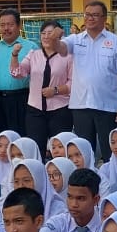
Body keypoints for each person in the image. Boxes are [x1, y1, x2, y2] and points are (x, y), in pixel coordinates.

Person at [55, 0, 117, 161]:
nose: (90, 18)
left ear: (104, 18)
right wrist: (55, 39)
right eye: (87, 15)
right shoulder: (75, 39)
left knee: (110, 152)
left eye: (95, 15)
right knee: (83, 153)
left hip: (107, 106)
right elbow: (61, 49)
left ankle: (111, 184)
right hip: (81, 105)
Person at [11, 19, 73, 160]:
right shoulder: (33, 54)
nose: (46, 36)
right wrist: (14, 56)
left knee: (60, 150)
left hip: (60, 110)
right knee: (35, 150)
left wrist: (55, 90)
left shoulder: (68, 57)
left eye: (50, 33)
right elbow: (18, 73)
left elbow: (73, 84)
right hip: (35, 110)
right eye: (43, 33)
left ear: (58, 36)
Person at [0, 8, 36, 138]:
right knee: (1, 140)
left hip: (22, 100)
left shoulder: (31, 47)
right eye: (2, 25)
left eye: (10, 24)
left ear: (19, 26)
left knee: (22, 139)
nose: (6, 28)